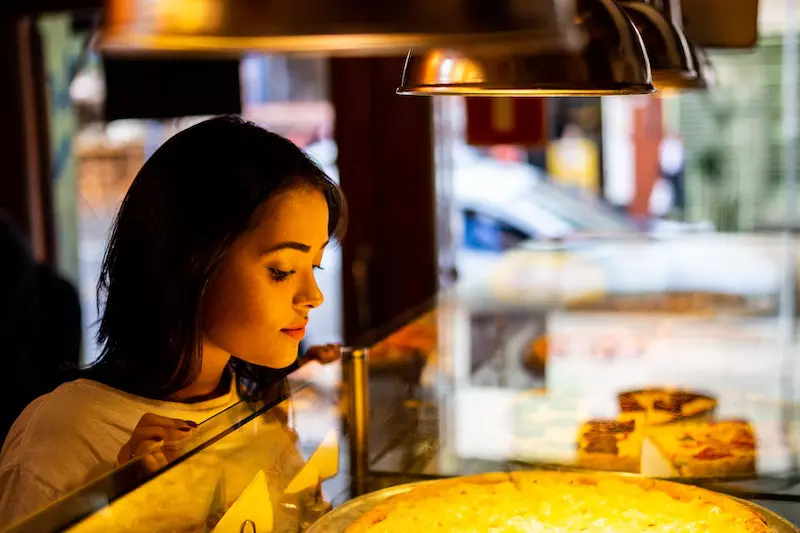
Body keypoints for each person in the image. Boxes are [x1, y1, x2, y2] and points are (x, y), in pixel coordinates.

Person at [0, 116, 347, 528]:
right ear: (194, 263)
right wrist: (128, 508)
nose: (314, 296)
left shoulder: (252, 410)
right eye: (283, 270)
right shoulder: (64, 435)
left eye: (316, 266)